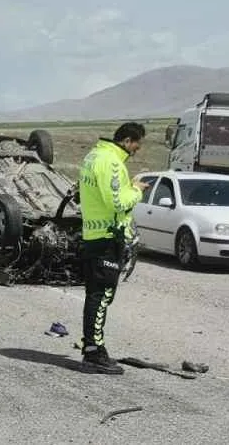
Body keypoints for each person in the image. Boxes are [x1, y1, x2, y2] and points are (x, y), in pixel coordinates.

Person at [77, 122, 149, 374]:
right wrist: (137, 191)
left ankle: (92, 347)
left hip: (94, 234)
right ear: (128, 140)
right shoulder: (111, 161)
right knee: (101, 296)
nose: (136, 151)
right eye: (136, 146)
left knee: (96, 294)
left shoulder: (93, 155)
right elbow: (117, 202)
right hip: (107, 237)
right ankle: (94, 352)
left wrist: (128, 186)